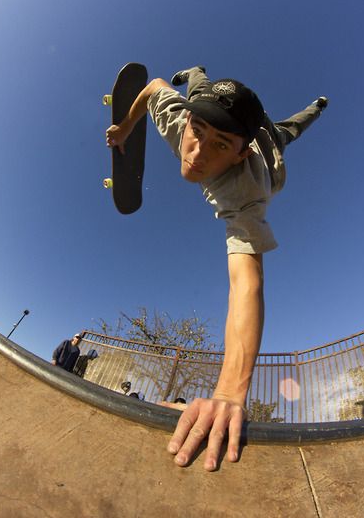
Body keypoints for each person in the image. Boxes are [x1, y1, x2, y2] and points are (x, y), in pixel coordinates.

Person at [106, 66, 328, 471]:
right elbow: (153, 86)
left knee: (291, 128)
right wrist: (123, 128)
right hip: (216, 109)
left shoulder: (245, 192)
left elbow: (247, 282)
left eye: (219, 145)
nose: (197, 152)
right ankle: (197, 74)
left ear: (239, 153)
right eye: (198, 131)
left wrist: (228, 393)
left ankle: (317, 106)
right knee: (199, 88)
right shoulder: (179, 122)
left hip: (269, 143)